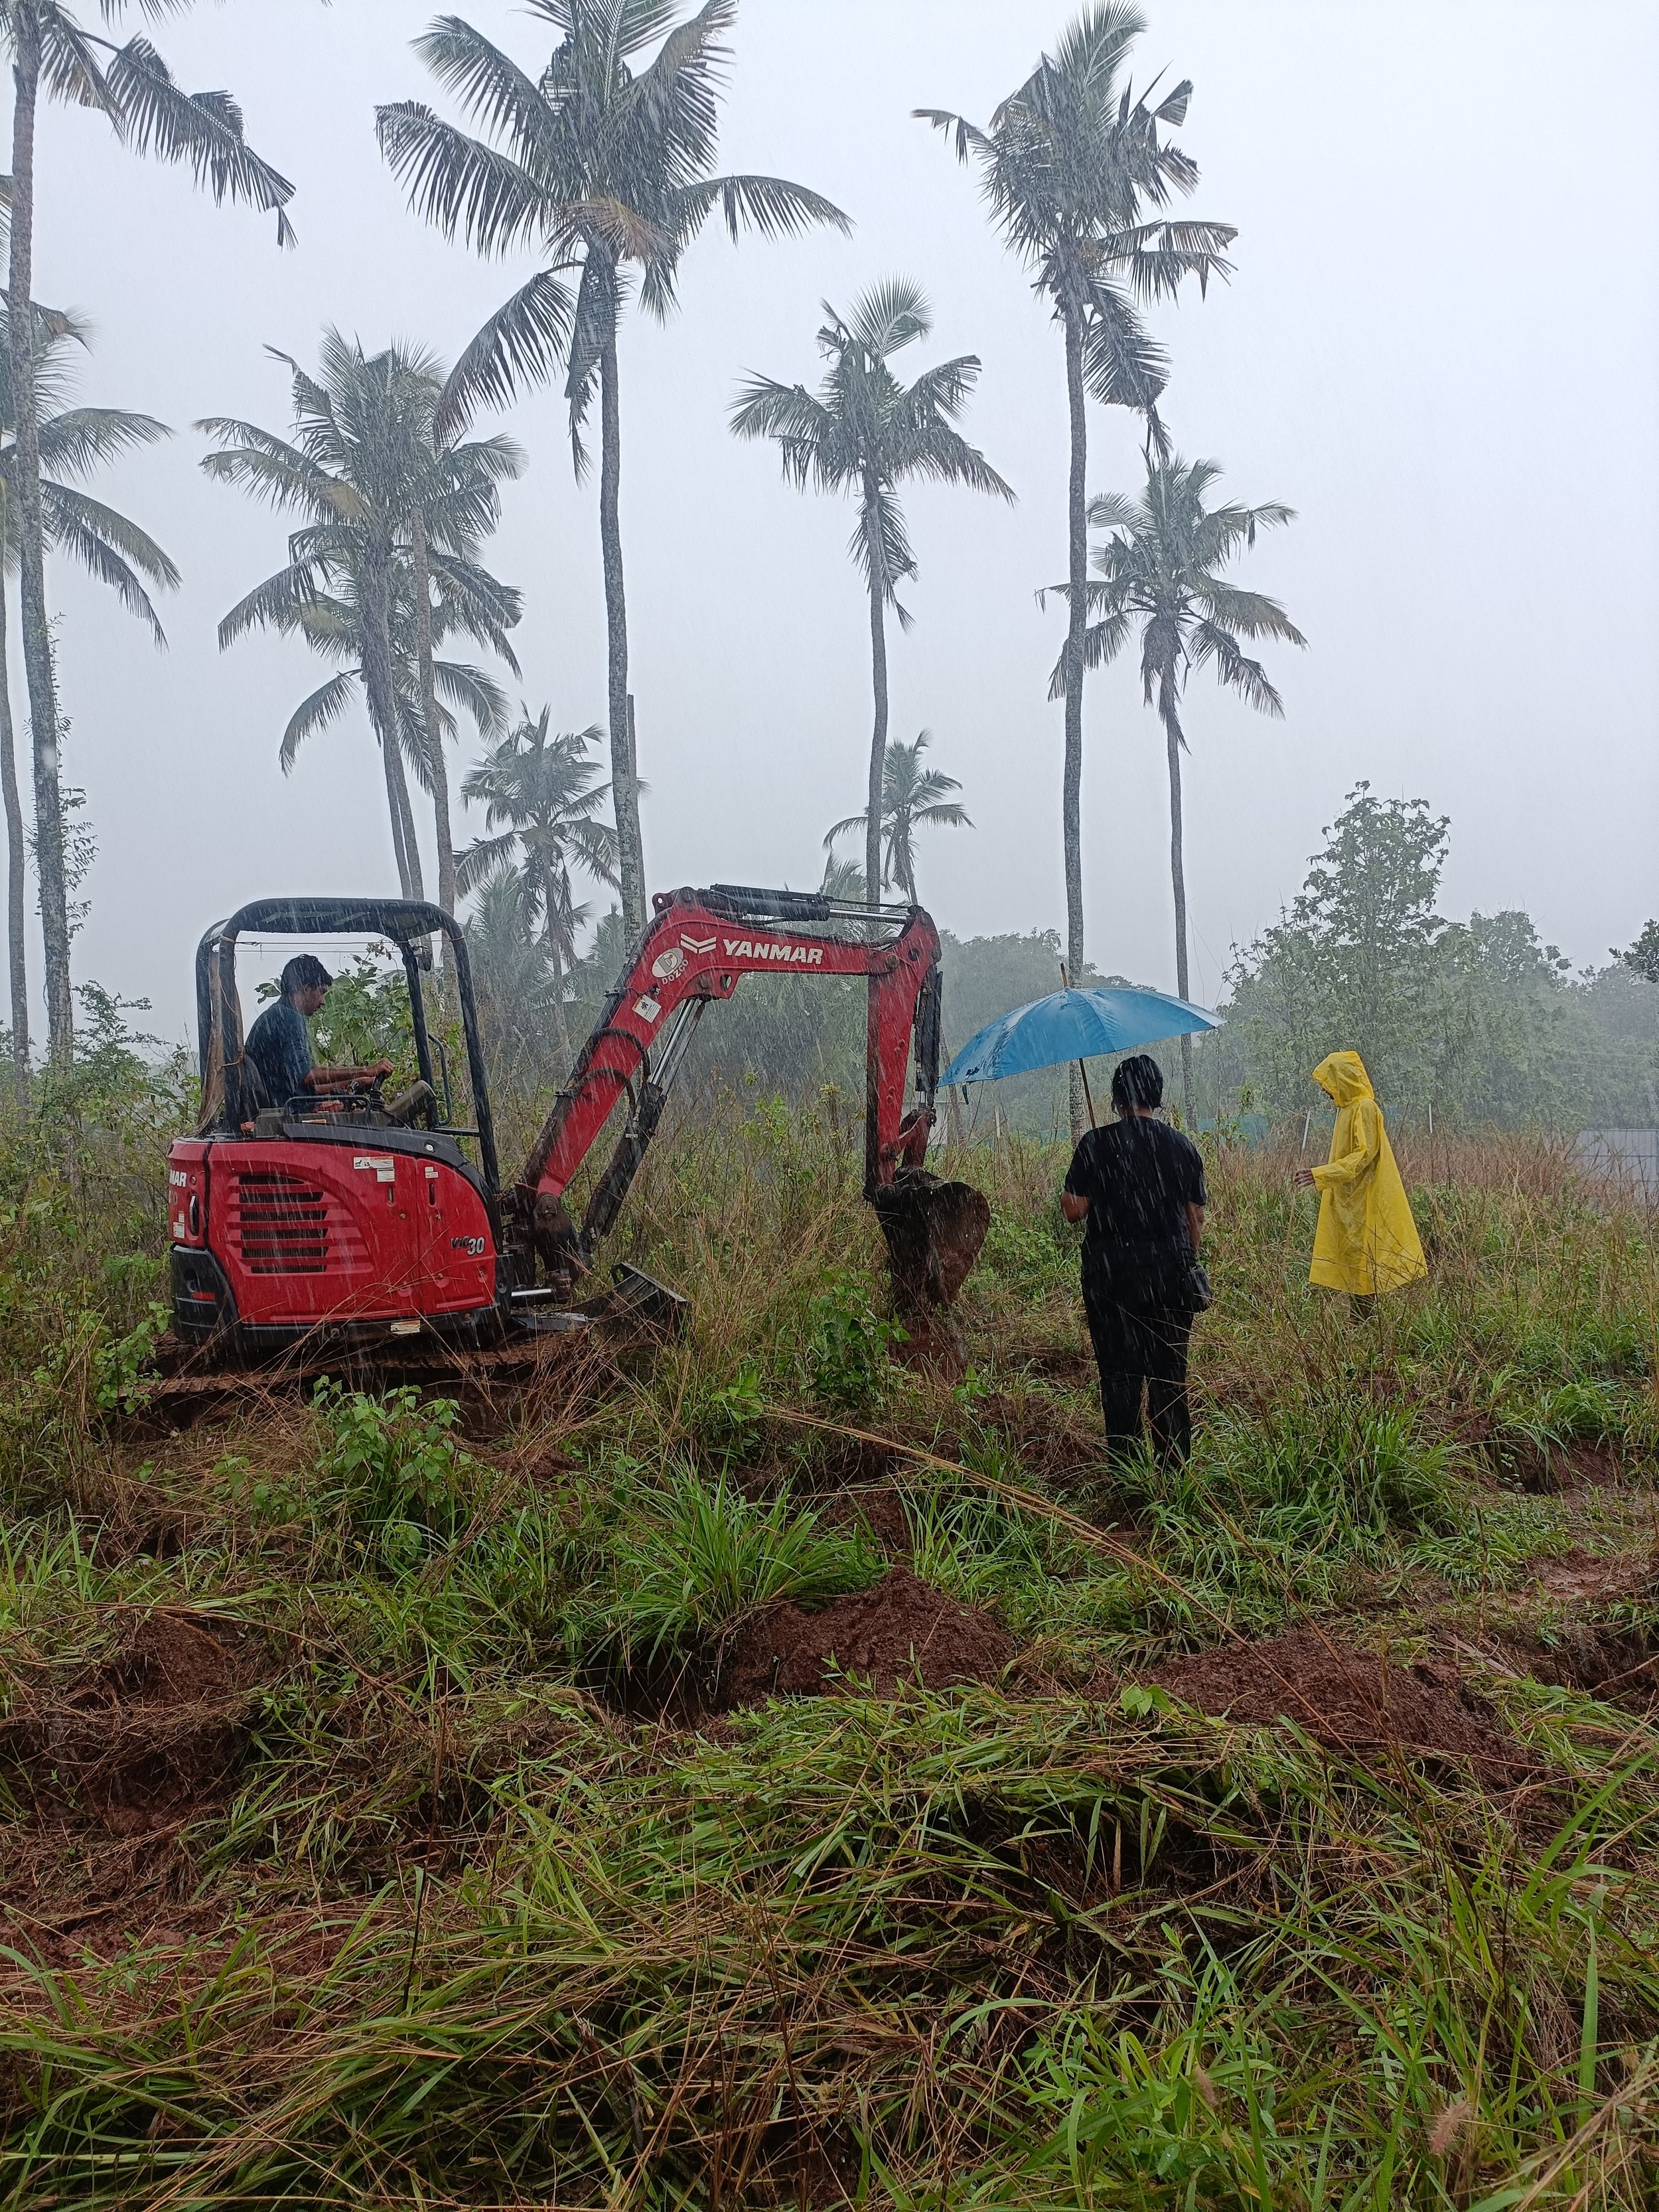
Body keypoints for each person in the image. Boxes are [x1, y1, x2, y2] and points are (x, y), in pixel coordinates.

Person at [1061, 1053, 1207, 1467]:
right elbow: (1194, 1215)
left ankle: (1126, 1474)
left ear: (1116, 1096)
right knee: (1168, 1375)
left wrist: (1093, 1169)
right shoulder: (1181, 1146)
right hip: (1170, 1277)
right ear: (1156, 1095)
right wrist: (1184, 1261)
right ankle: (1175, 1468)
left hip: (1110, 1279)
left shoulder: (1095, 1143)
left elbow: (1073, 1210)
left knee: (1119, 1376)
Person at [1293, 1050, 1425, 1296]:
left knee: (1367, 1263)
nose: (1326, 1090)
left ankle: (1366, 1325)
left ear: (1344, 1078)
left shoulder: (1365, 1108)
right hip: (1349, 1198)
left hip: (1367, 1197)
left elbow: (1363, 1155)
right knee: (1354, 1265)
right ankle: (1358, 1325)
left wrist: (1320, 1175)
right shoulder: (1346, 1110)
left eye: (1329, 1082)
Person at [243, 953, 330, 1110]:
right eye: (322, 992)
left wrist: (360, 1079)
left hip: (280, 1105)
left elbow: (301, 1085)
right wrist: (367, 1070)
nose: (323, 1002)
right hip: (285, 1112)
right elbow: (307, 1077)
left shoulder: (278, 1014)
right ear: (306, 988)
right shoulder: (289, 1018)